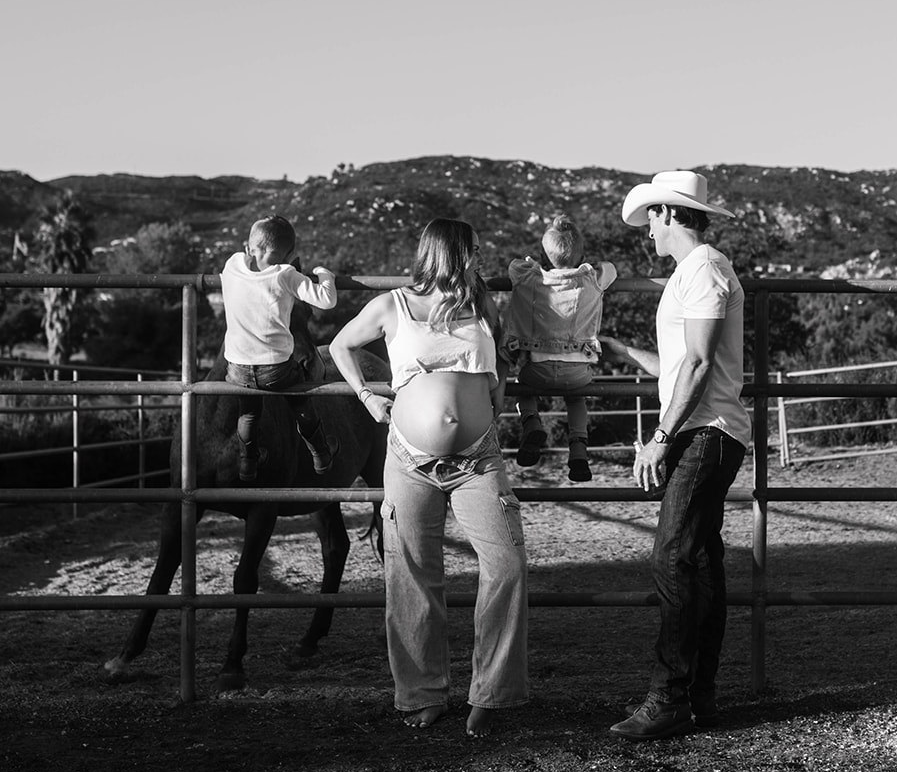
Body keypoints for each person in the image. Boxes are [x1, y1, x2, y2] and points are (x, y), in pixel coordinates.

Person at [331, 217, 528, 738]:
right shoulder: (392, 306)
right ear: (449, 253)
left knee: (507, 563)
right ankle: (422, 693)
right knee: (410, 573)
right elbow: (339, 346)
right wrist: (367, 394)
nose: (481, 256)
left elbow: (499, 356)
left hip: (479, 458)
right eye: (475, 249)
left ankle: (490, 692)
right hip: (409, 459)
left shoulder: (482, 305)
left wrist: (500, 385)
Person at [597, 170, 750, 741]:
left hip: (705, 433)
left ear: (667, 215)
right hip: (702, 428)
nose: (647, 233)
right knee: (700, 562)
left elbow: (700, 365)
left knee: (672, 559)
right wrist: (616, 349)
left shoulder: (705, 268)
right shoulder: (692, 272)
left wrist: (660, 437)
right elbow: (677, 363)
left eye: (650, 220)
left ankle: (669, 697)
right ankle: (699, 696)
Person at [220, 215, 338, 482]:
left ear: (248, 249)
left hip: (237, 368)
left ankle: (247, 463)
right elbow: (326, 300)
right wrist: (324, 275)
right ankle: (320, 453)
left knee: (248, 413)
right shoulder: (286, 274)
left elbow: (242, 254)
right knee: (301, 402)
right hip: (276, 370)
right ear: (291, 255)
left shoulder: (232, 266)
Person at [505, 215, 618, 482]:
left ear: (545, 257)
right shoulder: (593, 279)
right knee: (577, 398)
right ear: (581, 256)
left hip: (538, 369)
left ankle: (532, 422)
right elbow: (611, 268)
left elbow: (515, 267)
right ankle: (578, 449)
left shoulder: (531, 279)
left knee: (522, 383)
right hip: (578, 371)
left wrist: (536, 264)